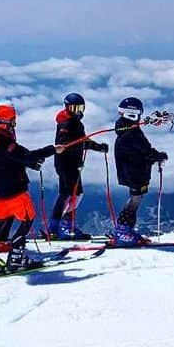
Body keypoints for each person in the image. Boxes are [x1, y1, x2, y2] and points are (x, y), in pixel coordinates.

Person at [0, 102, 62, 277]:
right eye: (12, 122)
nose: (13, 125)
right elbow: (26, 155)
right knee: (26, 221)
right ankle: (15, 260)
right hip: (16, 194)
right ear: (2, 123)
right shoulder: (5, 144)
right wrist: (53, 150)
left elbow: (9, 162)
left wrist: (27, 164)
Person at [48, 92, 107, 240]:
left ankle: (54, 227)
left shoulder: (70, 122)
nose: (78, 111)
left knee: (65, 194)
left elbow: (81, 141)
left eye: (80, 108)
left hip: (64, 163)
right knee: (77, 194)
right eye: (74, 108)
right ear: (67, 108)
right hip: (68, 164)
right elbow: (69, 144)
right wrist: (94, 146)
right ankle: (65, 226)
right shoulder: (67, 124)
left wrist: (93, 146)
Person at [111, 97, 168, 246]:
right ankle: (123, 231)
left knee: (136, 197)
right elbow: (146, 151)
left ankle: (125, 230)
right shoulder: (132, 133)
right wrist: (160, 156)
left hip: (131, 171)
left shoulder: (126, 127)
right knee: (136, 199)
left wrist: (152, 120)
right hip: (135, 172)